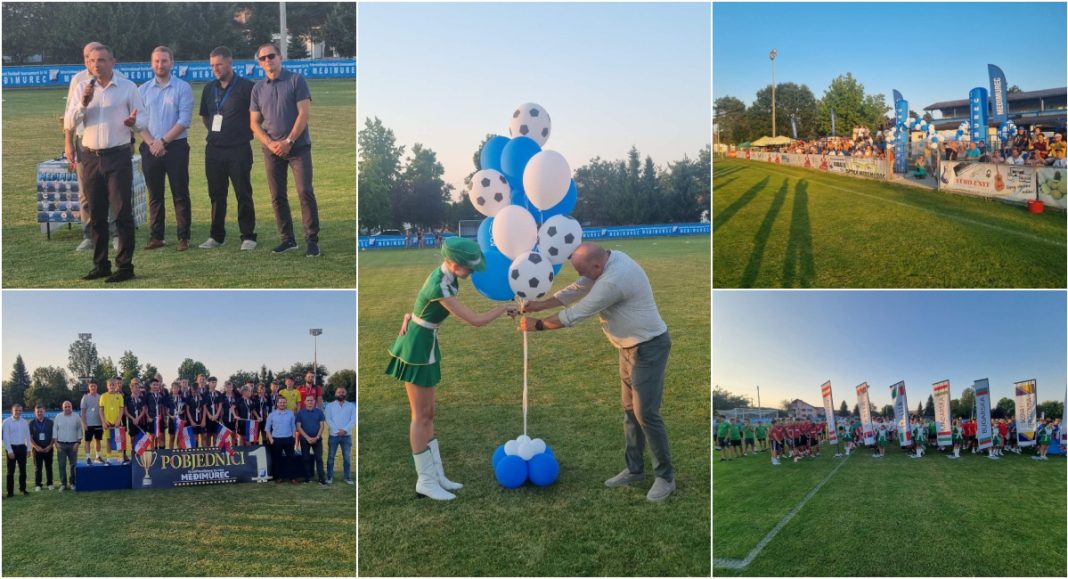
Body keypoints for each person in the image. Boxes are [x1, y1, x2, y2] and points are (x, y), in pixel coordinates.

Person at [519, 242, 674, 501]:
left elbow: (577, 313)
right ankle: (635, 470)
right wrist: (539, 305)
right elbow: (577, 288)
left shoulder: (614, 279)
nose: (583, 277)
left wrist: (537, 326)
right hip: (628, 347)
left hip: (649, 347)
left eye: (585, 271)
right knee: (629, 412)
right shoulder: (607, 261)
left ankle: (665, 477)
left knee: (645, 413)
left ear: (598, 266)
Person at [386, 236, 517, 501]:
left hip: (425, 342)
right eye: (469, 268)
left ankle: (437, 475)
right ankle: (425, 481)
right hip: (417, 349)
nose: (472, 273)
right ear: (455, 264)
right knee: (420, 417)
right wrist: (503, 308)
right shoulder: (441, 285)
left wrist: (410, 315)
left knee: (429, 414)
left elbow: (421, 305)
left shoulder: (448, 277)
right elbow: (476, 321)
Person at [68, 44, 148, 283]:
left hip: (118, 156)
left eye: (101, 60)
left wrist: (133, 122)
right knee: (97, 214)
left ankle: (125, 266)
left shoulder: (127, 87)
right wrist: (83, 103)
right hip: (90, 156)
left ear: (113, 61)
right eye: (92, 61)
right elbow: (71, 120)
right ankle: (100, 264)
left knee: (122, 212)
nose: (96, 65)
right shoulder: (83, 87)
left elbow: (142, 119)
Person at [249, 43, 321, 256]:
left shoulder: (296, 80)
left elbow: (303, 114)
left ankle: (312, 240)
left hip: (298, 147)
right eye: (262, 58)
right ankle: (288, 239)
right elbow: (254, 123)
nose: (267, 61)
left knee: (304, 192)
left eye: (271, 56)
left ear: (280, 58)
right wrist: (269, 143)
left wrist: (288, 140)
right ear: (259, 63)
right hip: (271, 150)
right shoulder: (258, 89)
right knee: (277, 196)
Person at [198, 46, 258, 250]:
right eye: (212, 65)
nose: (215, 68)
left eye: (219, 64)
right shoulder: (208, 88)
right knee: (216, 194)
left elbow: (258, 117)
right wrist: (218, 133)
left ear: (230, 62)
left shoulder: (247, 87)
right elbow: (206, 117)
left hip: (239, 148)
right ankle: (216, 236)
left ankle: (248, 236)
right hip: (214, 149)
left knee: (243, 192)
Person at [64, 41, 121, 252]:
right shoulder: (79, 82)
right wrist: (68, 142)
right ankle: (89, 235)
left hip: (114, 145)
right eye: (88, 58)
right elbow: (69, 115)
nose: (92, 62)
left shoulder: (121, 80)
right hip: (84, 144)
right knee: (85, 192)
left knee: (115, 192)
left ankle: (116, 234)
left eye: (97, 58)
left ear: (108, 60)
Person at [138, 45, 193, 251]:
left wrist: (163, 142)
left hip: (176, 147)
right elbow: (138, 122)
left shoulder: (182, 87)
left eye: (164, 61)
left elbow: (184, 120)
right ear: (152, 64)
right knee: (155, 194)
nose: (160, 64)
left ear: (172, 63)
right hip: (150, 147)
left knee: (180, 192)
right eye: (156, 61)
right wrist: (153, 142)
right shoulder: (142, 90)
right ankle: (156, 236)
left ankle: (183, 236)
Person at [324, 387, 356, 485]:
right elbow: (328, 419)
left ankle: (347, 477)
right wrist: (337, 430)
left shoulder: (351, 405)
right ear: (335, 394)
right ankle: (329, 477)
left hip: (347, 436)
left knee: (347, 458)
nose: (341, 393)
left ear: (345, 393)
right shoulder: (329, 406)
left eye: (343, 392)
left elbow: (353, 419)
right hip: (333, 435)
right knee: (331, 457)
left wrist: (345, 430)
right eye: (339, 392)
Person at [295, 396, 327, 485]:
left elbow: (322, 426)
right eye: (308, 400)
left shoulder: (319, 412)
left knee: (319, 459)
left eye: (311, 400)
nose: (310, 402)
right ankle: (307, 478)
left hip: (317, 439)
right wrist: (307, 438)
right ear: (305, 402)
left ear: (314, 402)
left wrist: (316, 437)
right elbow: (298, 427)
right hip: (305, 440)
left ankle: (322, 479)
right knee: (306, 459)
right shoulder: (301, 413)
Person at [264, 397, 297, 483]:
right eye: (280, 402)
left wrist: (293, 437)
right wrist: (271, 439)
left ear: (286, 404)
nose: (282, 404)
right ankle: (278, 477)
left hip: (288, 439)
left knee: (291, 459)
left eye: (284, 402)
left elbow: (293, 427)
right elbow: (267, 428)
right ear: (277, 404)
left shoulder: (291, 414)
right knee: (277, 459)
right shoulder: (271, 415)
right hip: (276, 440)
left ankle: (292, 478)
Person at [53, 401, 83, 491]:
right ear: (63, 408)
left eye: (69, 406)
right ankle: (63, 484)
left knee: (73, 465)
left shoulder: (76, 417)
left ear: (71, 407)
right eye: (65, 407)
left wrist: (78, 443)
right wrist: (56, 443)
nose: (67, 408)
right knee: (62, 465)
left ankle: (72, 483)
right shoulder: (58, 417)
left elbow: (79, 430)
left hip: (73, 444)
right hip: (61, 444)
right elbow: (55, 430)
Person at [3, 404, 31, 497]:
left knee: (23, 470)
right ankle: (10, 492)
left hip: (22, 448)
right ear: (12, 411)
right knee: (11, 471)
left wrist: (28, 449)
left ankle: (22, 489)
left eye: (20, 410)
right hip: (12, 448)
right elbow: (5, 437)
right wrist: (10, 451)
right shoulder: (6, 422)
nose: (18, 412)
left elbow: (27, 436)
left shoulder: (24, 422)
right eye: (16, 410)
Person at [100, 378, 128, 464]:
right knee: (108, 440)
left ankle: (120, 458)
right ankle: (108, 459)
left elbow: (121, 409)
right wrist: (104, 421)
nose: (112, 386)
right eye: (110, 385)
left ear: (117, 385)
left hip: (117, 422)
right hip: (107, 422)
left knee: (119, 439)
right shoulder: (103, 396)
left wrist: (118, 420)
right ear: (107, 386)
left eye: (114, 384)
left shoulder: (119, 396)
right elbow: (101, 410)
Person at [28, 405, 55, 491]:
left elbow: (54, 436)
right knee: (37, 467)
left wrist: (50, 446)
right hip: (37, 449)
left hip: (48, 448)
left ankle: (50, 483)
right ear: (35, 413)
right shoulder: (31, 423)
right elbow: (29, 437)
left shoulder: (50, 422)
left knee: (49, 467)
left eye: (41, 411)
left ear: (44, 411)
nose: (39, 413)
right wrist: (36, 446)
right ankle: (38, 484)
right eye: (37, 412)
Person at [79, 381, 103, 463]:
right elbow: (82, 412)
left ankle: (98, 456)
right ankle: (88, 458)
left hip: (99, 423)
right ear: (89, 387)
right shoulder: (85, 397)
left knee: (98, 440)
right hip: (89, 424)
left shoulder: (100, 397)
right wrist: (84, 424)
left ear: (97, 387)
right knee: (87, 441)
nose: (93, 387)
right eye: (91, 386)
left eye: (94, 386)